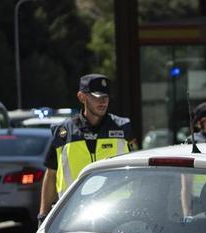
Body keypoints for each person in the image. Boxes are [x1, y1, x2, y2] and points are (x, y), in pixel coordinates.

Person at [39, 74, 136, 223]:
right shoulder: (63, 132)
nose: (103, 101)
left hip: (118, 214)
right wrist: (43, 215)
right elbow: (51, 174)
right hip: (71, 216)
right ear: (82, 97)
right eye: (97, 96)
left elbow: (138, 171)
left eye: (106, 96)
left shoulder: (123, 128)